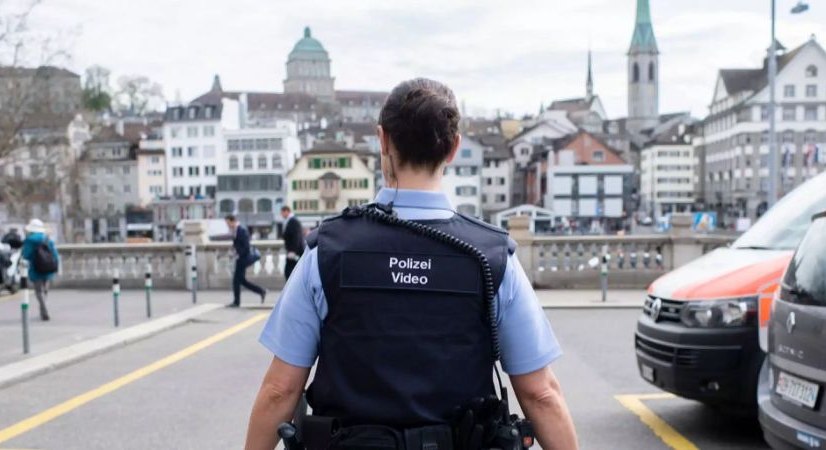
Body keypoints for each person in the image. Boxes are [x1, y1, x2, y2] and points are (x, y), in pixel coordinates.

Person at [245, 79, 578, 450]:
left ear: (382, 140)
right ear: (453, 148)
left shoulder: (327, 250)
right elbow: (541, 395)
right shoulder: (493, 256)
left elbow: (280, 390)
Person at [21, 219, 59, 321]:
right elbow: (55, 254)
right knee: (45, 290)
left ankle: (44, 309)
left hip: (35, 268)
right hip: (48, 268)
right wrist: (56, 267)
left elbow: (26, 255)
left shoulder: (29, 240)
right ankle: (43, 309)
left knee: (39, 291)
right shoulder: (47, 239)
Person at [225, 215, 266, 308]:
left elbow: (246, 247)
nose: (227, 225)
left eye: (228, 223)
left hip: (243, 259)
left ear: (233, 221)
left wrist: (237, 254)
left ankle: (236, 302)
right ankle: (261, 291)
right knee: (242, 281)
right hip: (240, 258)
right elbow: (238, 245)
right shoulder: (236, 230)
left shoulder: (241, 230)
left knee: (236, 281)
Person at [279, 206, 304, 280]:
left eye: (282, 213)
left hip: (294, 252)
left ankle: (290, 289)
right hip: (293, 252)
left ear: (286, 211)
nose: (281, 215)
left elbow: (296, 237)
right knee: (293, 271)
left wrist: (293, 252)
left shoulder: (292, 221)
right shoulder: (291, 220)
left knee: (289, 272)